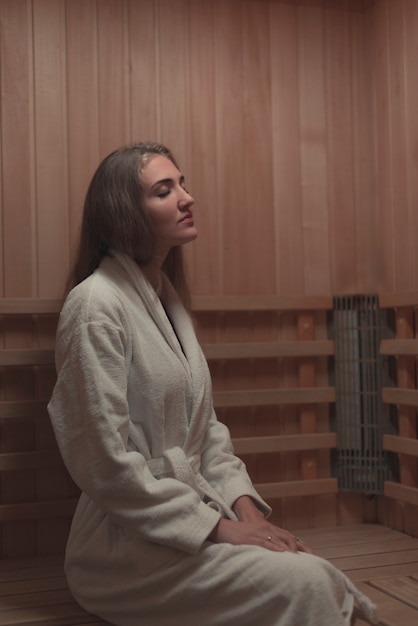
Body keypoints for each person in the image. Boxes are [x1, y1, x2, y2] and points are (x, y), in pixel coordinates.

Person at [48, 141, 379, 626]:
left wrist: (248, 516)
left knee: (312, 569)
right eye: (165, 190)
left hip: (193, 520)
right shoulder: (94, 306)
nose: (187, 197)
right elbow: (101, 460)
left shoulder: (166, 302)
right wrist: (215, 529)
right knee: (307, 582)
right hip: (122, 548)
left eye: (183, 184)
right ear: (123, 214)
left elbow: (207, 435)